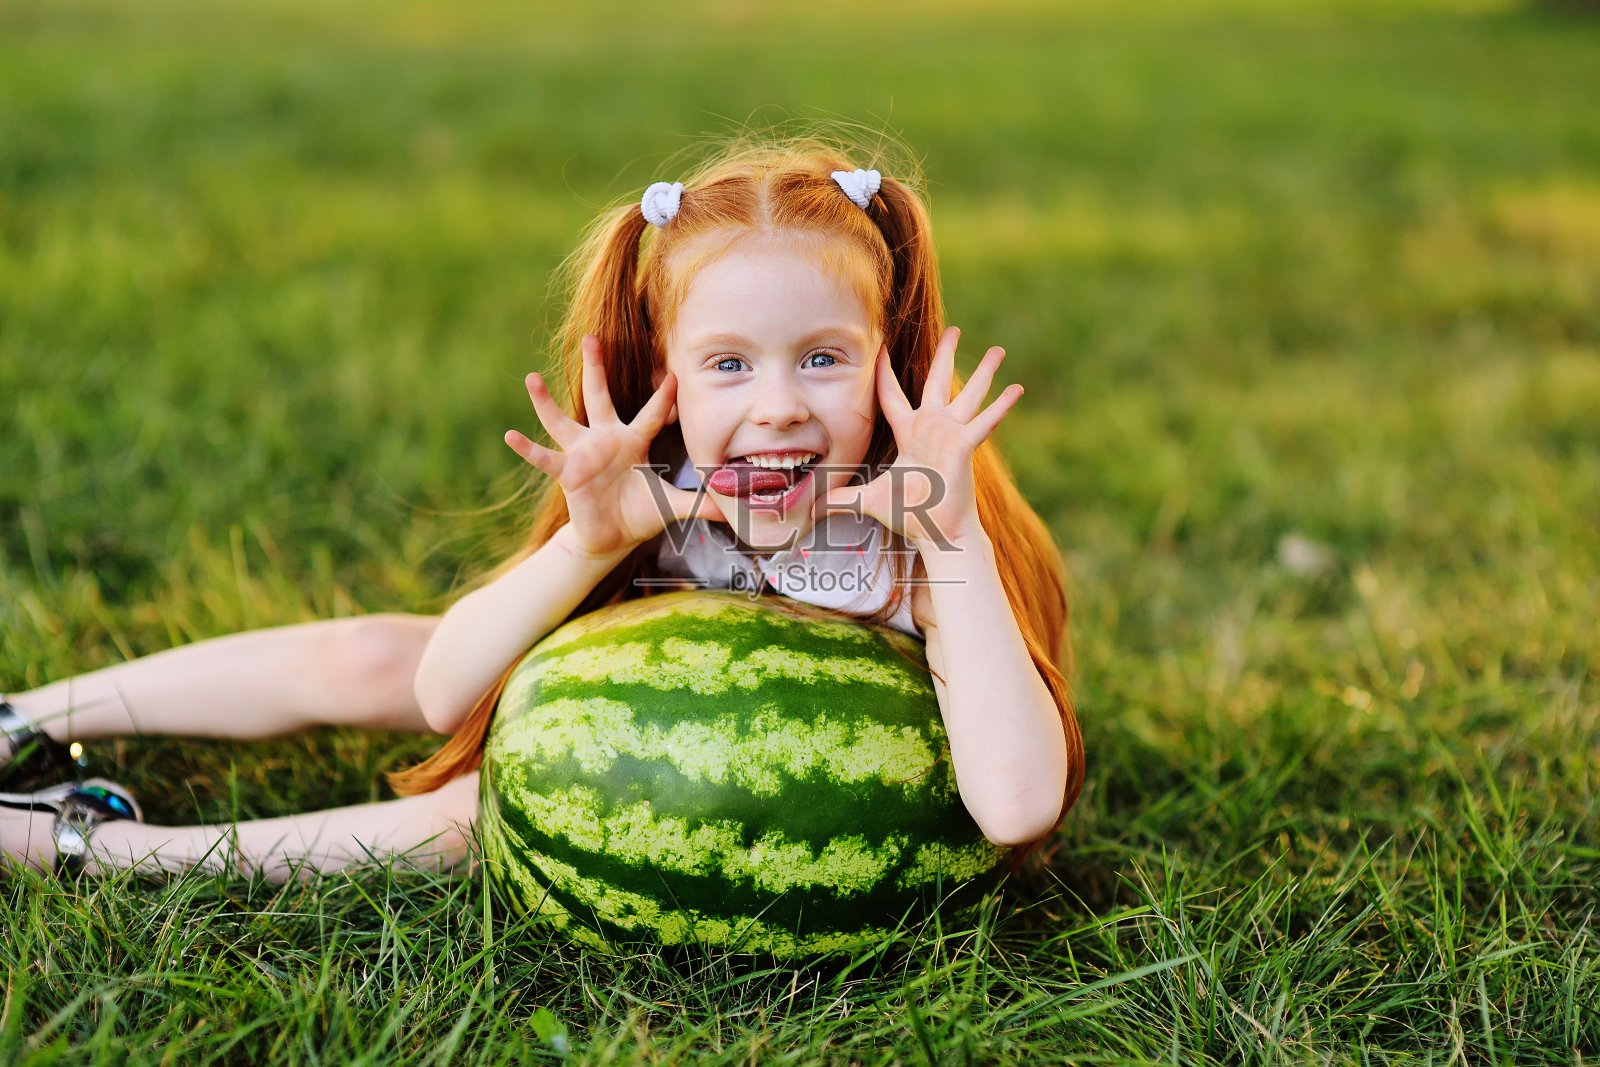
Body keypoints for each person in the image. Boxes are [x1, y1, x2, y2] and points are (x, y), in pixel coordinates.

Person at [1, 137, 1083, 882]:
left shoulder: (912, 543)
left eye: (822, 358)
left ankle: (106, 853)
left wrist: (954, 549)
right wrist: (590, 543)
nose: (779, 407)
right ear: (667, 380)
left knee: (472, 815)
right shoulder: (667, 503)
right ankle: (33, 713)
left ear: (884, 363)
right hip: (654, 730)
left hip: (787, 813)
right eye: (727, 365)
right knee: (382, 653)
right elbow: (441, 694)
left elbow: (1018, 806)